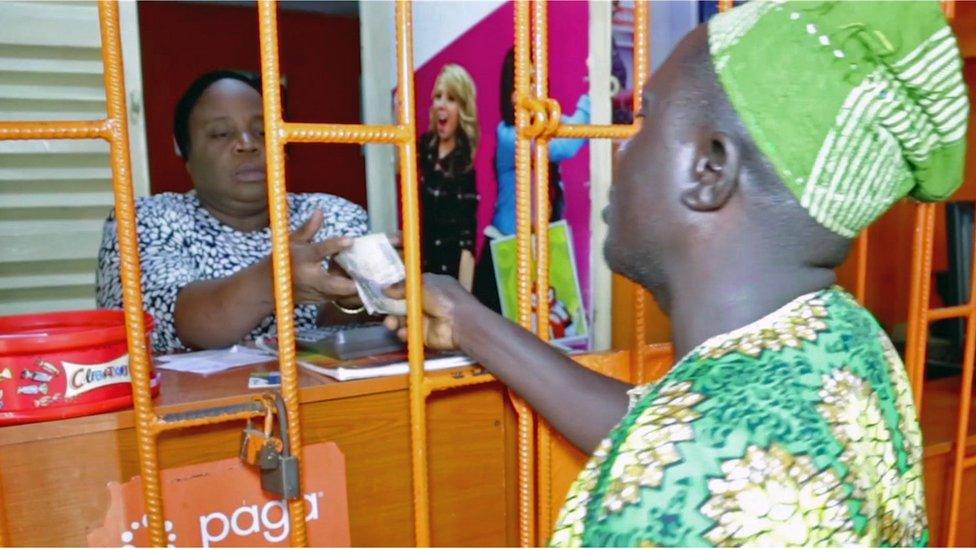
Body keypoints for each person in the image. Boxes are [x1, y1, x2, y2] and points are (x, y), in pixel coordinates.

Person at [387, 2, 968, 546]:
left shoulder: (678, 500)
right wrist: (469, 321)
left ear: (709, 168)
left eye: (645, 120)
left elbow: (681, 457)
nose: (621, 151)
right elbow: (662, 426)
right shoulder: (844, 336)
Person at [96, 69, 369, 353]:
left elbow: (347, 336)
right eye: (221, 133)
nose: (248, 144)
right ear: (184, 150)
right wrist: (273, 280)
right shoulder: (147, 220)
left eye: (262, 132)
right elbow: (160, 324)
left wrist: (351, 298)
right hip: (198, 398)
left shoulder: (332, 214)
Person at [473, 48, 591, 311]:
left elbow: (569, 130)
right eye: (524, 84)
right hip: (506, 252)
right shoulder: (508, 135)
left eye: (537, 81)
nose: (533, 91)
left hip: (539, 251)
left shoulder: (544, 129)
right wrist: (592, 99)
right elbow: (567, 145)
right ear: (511, 95)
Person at [419, 64, 480, 287]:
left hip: (448, 278)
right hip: (421, 268)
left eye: (451, 98)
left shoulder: (464, 168)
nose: (442, 104)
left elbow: (467, 246)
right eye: (438, 97)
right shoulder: (425, 147)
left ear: (462, 109)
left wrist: (464, 302)